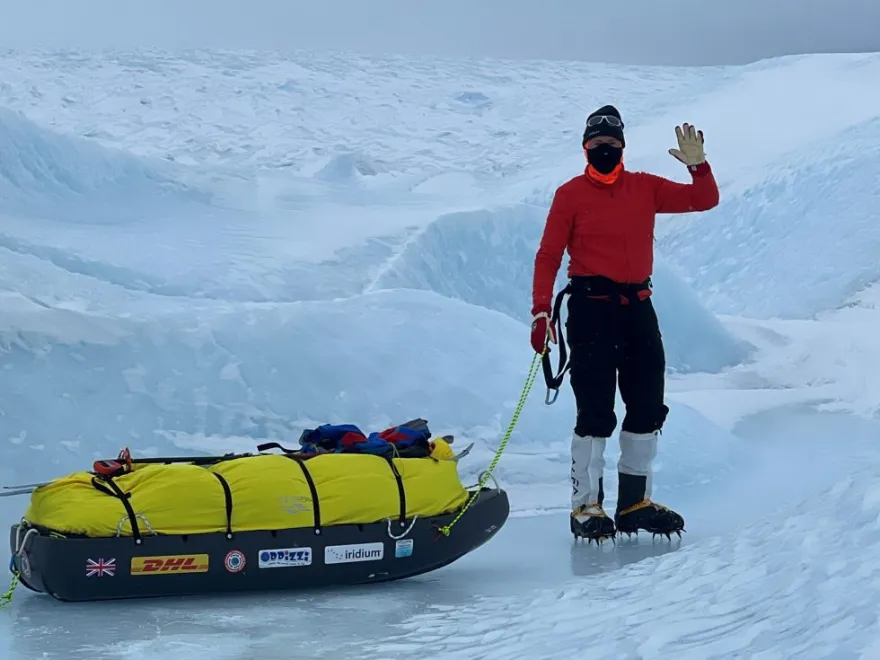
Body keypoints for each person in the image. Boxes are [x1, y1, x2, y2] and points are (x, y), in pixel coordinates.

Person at [530, 104, 720, 543]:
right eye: (598, 145)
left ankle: (634, 504)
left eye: (612, 145)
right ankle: (586, 506)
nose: (605, 151)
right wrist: (542, 311)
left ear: (623, 148)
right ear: (585, 148)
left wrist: (699, 167)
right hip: (591, 310)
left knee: (647, 407)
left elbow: (703, 199)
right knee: (595, 412)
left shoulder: (645, 188)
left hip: (638, 309)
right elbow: (548, 256)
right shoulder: (569, 195)